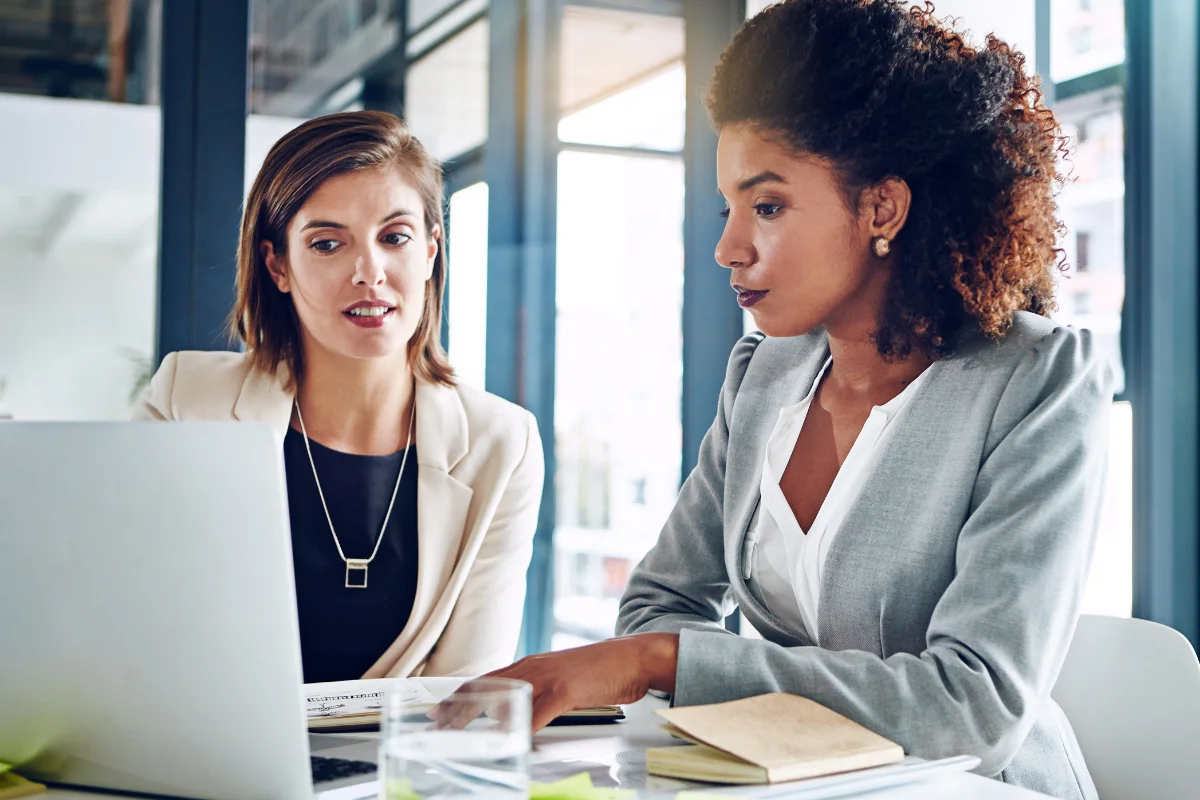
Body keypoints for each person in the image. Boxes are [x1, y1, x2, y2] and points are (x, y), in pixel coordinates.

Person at [484, 2, 1109, 798]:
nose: (727, 248)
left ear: (882, 208)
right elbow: (661, 599)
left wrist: (667, 663)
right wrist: (682, 669)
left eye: (767, 206)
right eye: (729, 208)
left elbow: (973, 708)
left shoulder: (1037, 380)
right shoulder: (765, 376)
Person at [135, 111, 543, 683]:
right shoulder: (186, 402)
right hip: (209, 757)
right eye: (328, 244)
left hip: (397, 765)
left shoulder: (503, 442)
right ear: (277, 264)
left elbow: (467, 689)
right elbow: (137, 626)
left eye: (394, 238)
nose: (368, 272)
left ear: (430, 251)